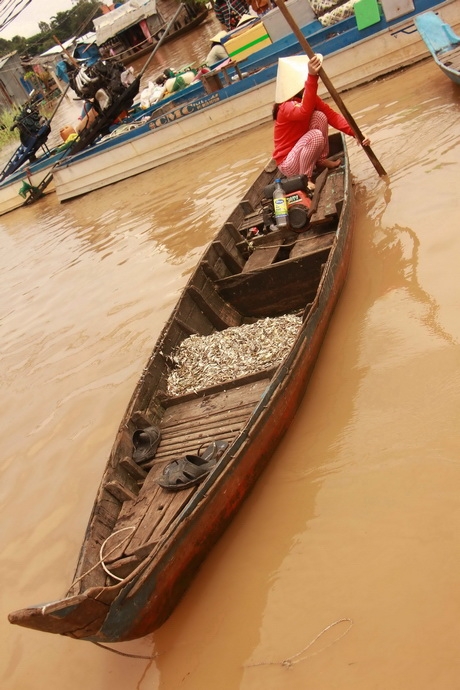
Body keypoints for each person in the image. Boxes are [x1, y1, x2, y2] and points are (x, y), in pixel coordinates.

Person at [273, 54, 370, 180]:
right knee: (315, 136)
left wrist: (356, 133)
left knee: (320, 116)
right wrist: (312, 77)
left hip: (302, 153)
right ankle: (304, 178)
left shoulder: (308, 99)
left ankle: (320, 161)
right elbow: (304, 111)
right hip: (289, 163)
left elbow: (332, 116)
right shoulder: (285, 106)